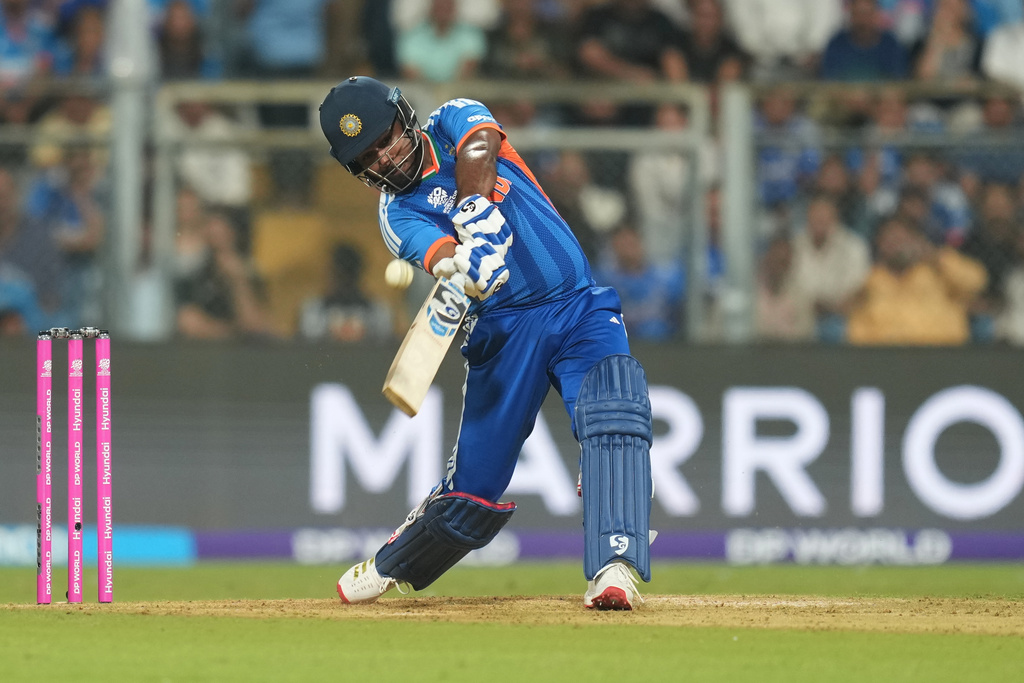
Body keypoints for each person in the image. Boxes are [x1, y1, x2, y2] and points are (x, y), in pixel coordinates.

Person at [318, 76, 655, 610]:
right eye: (368, 158)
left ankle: (614, 568)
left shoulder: (452, 119)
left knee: (615, 413)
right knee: (473, 491)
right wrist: (461, 264)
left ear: (406, 117)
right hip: (503, 335)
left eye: (388, 139)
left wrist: (474, 211)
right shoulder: (396, 216)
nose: (385, 159)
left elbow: (481, 142)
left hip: (576, 305)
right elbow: (438, 255)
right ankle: (392, 563)